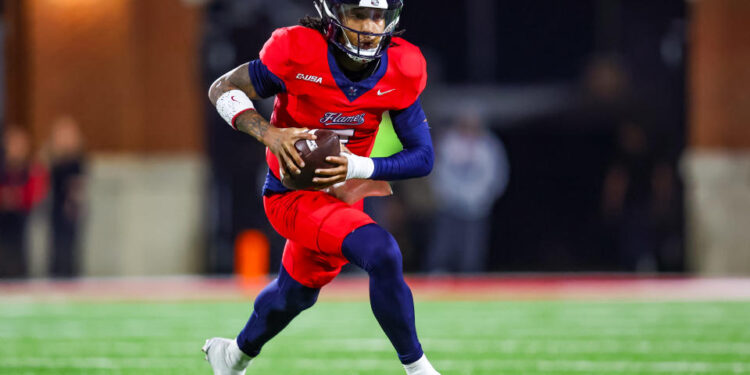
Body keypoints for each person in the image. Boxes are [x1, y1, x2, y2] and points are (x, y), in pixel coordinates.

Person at [202, 1, 440, 374]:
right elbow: (222, 88)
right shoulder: (298, 50)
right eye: (360, 14)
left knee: (294, 295)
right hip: (291, 194)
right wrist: (269, 133)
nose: (371, 26)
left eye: (379, 16)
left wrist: (360, 166)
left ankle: (232, 356)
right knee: (383, 253)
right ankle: (419, 369)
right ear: (334, 15)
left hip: (343, 199)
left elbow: (423, 157)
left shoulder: (401, 67)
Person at [427, 110, 509, 273]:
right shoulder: (448, 141)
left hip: (476, 207)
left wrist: (484, 196)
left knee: (471, 253)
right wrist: (443, 194)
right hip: (449, 206)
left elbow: (498, 173)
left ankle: (470, 280)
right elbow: (436, 170)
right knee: (443, 247)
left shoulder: (489, 145)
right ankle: (436, 278)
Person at [0, 126, 47, 278]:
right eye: (12, 144)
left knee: (18, 261)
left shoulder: (32, 169)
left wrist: (18, 198)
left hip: (21, 224)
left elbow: (35, 194)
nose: (15, 149)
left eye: (20, 145)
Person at [46, 116, 86, 278]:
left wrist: (75, 203)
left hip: (71, 211)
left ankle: (71, 276)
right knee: (56, 247)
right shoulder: (52, 161)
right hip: (55, 210)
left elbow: (78, 185)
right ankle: (56, 275)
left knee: (70, 247)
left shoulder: (78, 161)